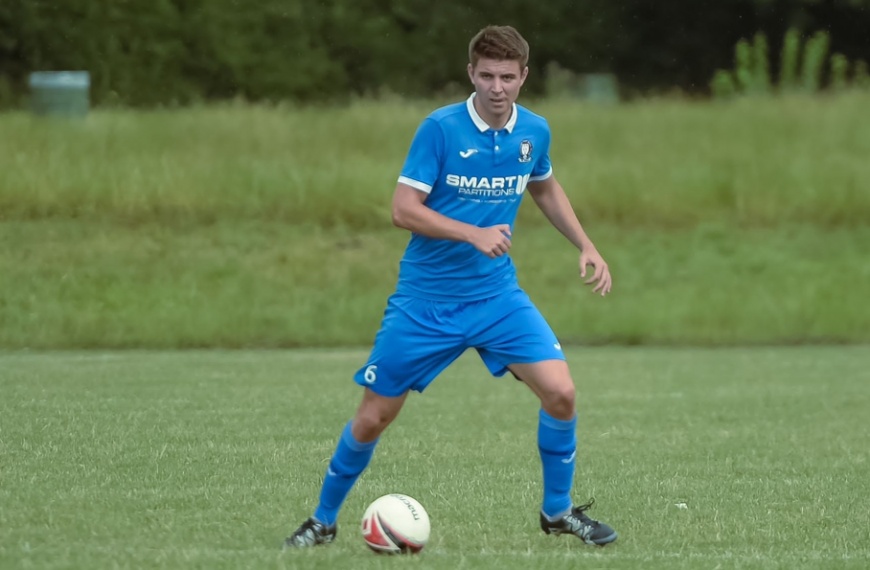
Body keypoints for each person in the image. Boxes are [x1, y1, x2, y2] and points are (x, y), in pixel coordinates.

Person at [285, 24, 617, 549]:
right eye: (486, 75)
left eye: (507, 76)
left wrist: (586, 245)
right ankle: (322, 521)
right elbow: (402, 210)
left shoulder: (534, 131)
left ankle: (557, 512)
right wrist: (472, 232)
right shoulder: (439, 130)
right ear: (471, 74)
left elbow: (545, 185)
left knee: (561, 393)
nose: (497, 87)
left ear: (523, 76)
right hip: (426, 303)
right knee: (373, 417)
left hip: (496, 299)